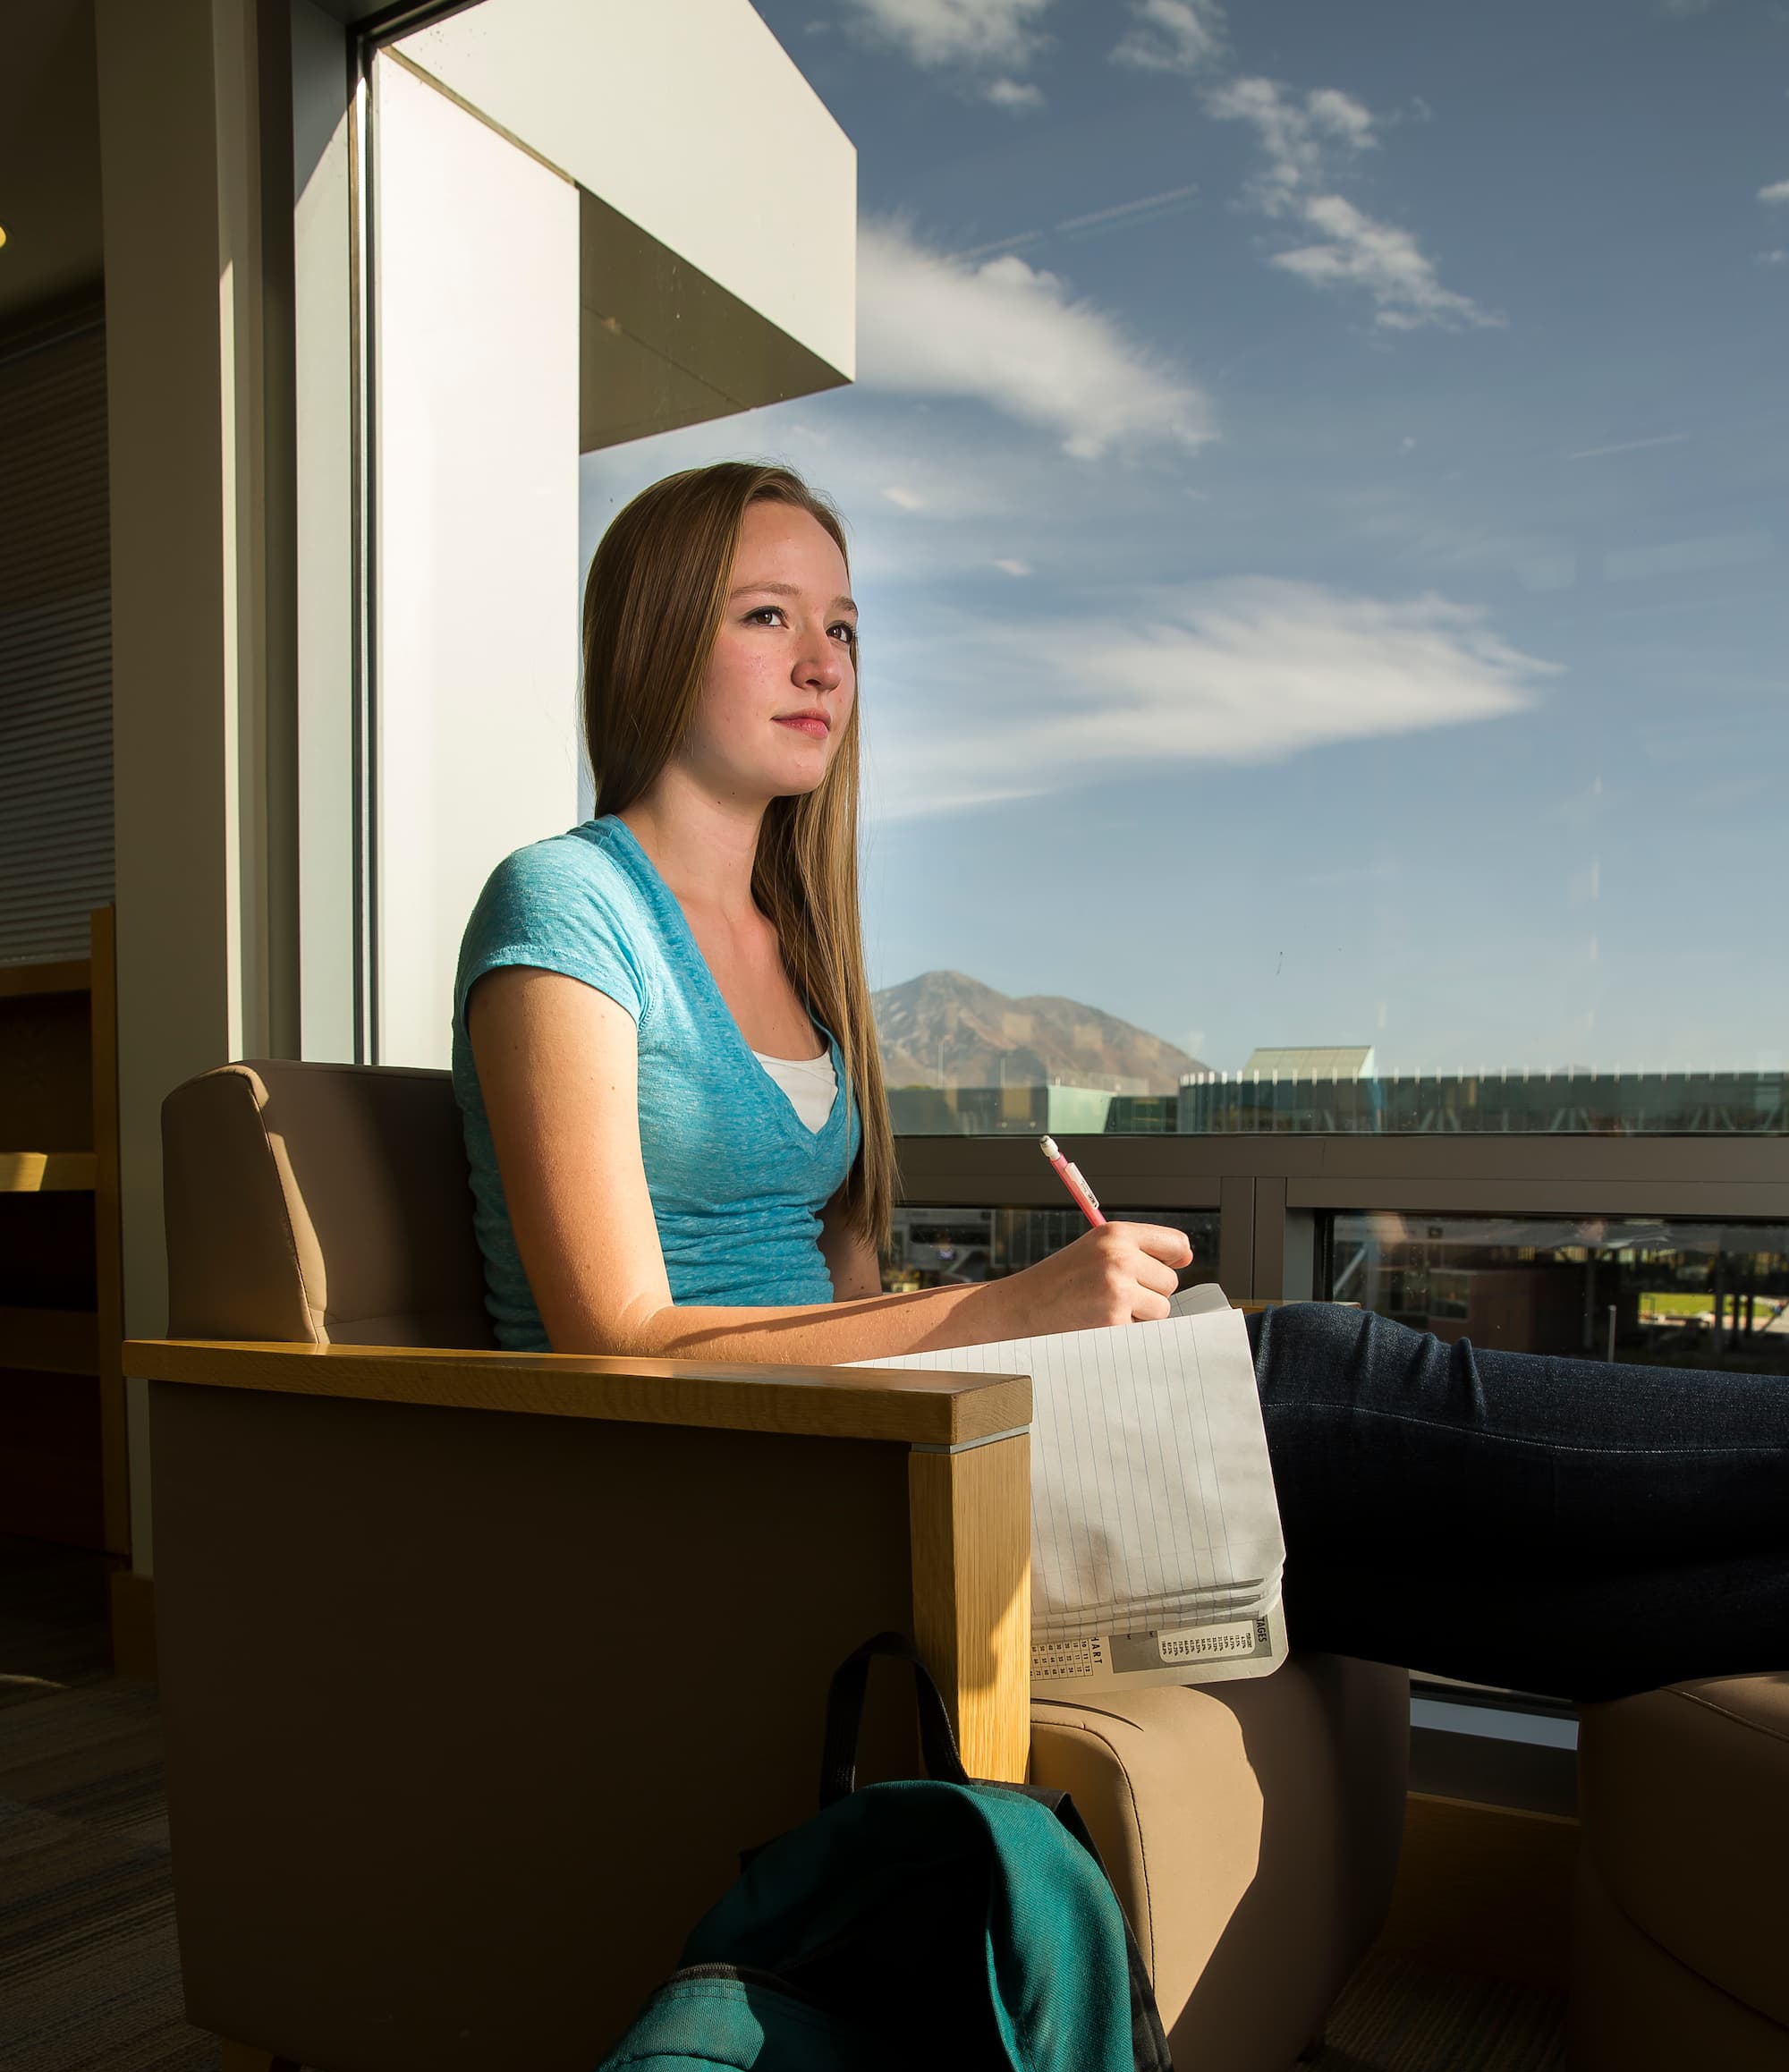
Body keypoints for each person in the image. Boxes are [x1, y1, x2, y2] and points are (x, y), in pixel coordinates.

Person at [456, 463, 1787, 1705]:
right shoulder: (569, 906)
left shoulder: (801, 949)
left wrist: (1025, 1336)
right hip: (747, 1486)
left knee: (1381, 1576)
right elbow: (616, 1339)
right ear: (655, 639)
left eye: (847, 630)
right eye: (769, 617)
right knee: (1306, 1367)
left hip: (885, 1442)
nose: (824, 665)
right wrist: (999, 1310)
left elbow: (849, 1309)